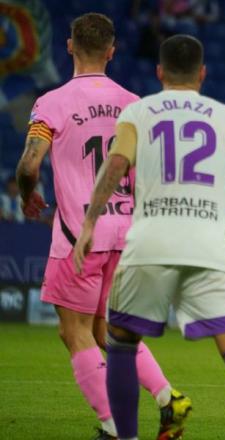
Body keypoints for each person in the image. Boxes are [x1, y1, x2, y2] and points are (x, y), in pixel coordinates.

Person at [73, 34, 225, 440]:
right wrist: (208, 216)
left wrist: (89, 223)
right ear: (202, 73)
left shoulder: (138, 114)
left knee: (122, 341)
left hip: (149, 242)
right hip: (209, 247)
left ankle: (126, 436)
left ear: (159, 72)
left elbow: (114, 168)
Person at [15, 13, 184, 440]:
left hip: (80, 234)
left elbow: (30, 164)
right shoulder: (133, 103)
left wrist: (25, 194)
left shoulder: (51, 102)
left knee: (72, 331)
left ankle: (113, 428)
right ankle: (167, 398)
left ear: (69, 46)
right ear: (112, 51)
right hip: (125, 232)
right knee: (108, 330)